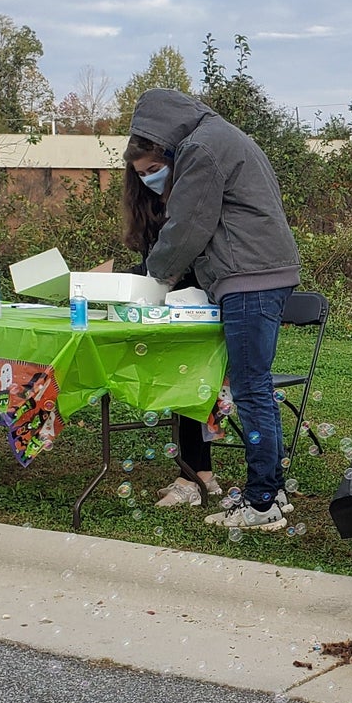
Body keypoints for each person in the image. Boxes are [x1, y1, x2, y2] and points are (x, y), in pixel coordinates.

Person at [124, 89, 302, 531]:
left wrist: (154, 278)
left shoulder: (201, 148)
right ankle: (273, 492)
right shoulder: (224, 135)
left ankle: (261, 504)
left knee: (251, 390)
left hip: (248, 278)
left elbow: (188, 225)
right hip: (267, 272)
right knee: (255, 386)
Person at [121, 154, 223, 509]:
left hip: (205, 306)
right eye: (141, 174)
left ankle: (192, 477)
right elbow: (153, 266)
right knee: (181, 381)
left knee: (191, 381)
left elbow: (184, 258)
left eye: (154, 170)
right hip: (172, 310)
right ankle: (200, 474)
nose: (149, 179)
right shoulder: (150, 208)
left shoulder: (194, 198)